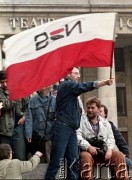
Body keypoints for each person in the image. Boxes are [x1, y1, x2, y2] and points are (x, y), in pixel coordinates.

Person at [45, 67, 113, 180]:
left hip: (71, 129)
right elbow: (84, 86)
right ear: (68, 74)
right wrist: (105, 82)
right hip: (62, 128)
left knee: (74, 161)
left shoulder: (71, 91)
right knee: (57, 161)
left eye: (79, 73)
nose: (79, 76)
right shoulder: (67, 85)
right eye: (76, 73)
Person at [77, 96, 128, 180]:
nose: (90, 110)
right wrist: (88, 147)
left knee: (119, 155)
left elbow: (111, 138)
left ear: (98, 108)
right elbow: (77, 136)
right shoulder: (81, 121)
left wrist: (110, 150)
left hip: (104, 151)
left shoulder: (105, 122)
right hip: (88, 151)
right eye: (88, 108)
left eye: (92, 108)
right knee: (85, 157)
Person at [25, 86, 56, 163]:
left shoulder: (54, 100)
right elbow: (29, 118)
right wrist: (28, 133)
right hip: (37, 136)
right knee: (38, 161)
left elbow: (57, 119)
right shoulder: (33, 100)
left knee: (50, 160)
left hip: (49, 136)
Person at [100, 104, 132, 170]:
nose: (98, 114)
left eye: (100, 112)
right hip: (98, 153)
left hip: (110, 153)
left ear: (105, 114)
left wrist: (124, 155)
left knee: (128, 163)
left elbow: (121, 142)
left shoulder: (110, 125)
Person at [0, 70, 24, 146]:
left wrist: (25, 117)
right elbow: (5, 105)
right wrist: (15, 94)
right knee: (5, 156)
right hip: (5, 130)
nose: (5, 84)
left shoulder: (19, 89)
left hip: (19, 127)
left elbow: (28, 106)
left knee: (20, 156)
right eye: (2, 82)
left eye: (6, 81)